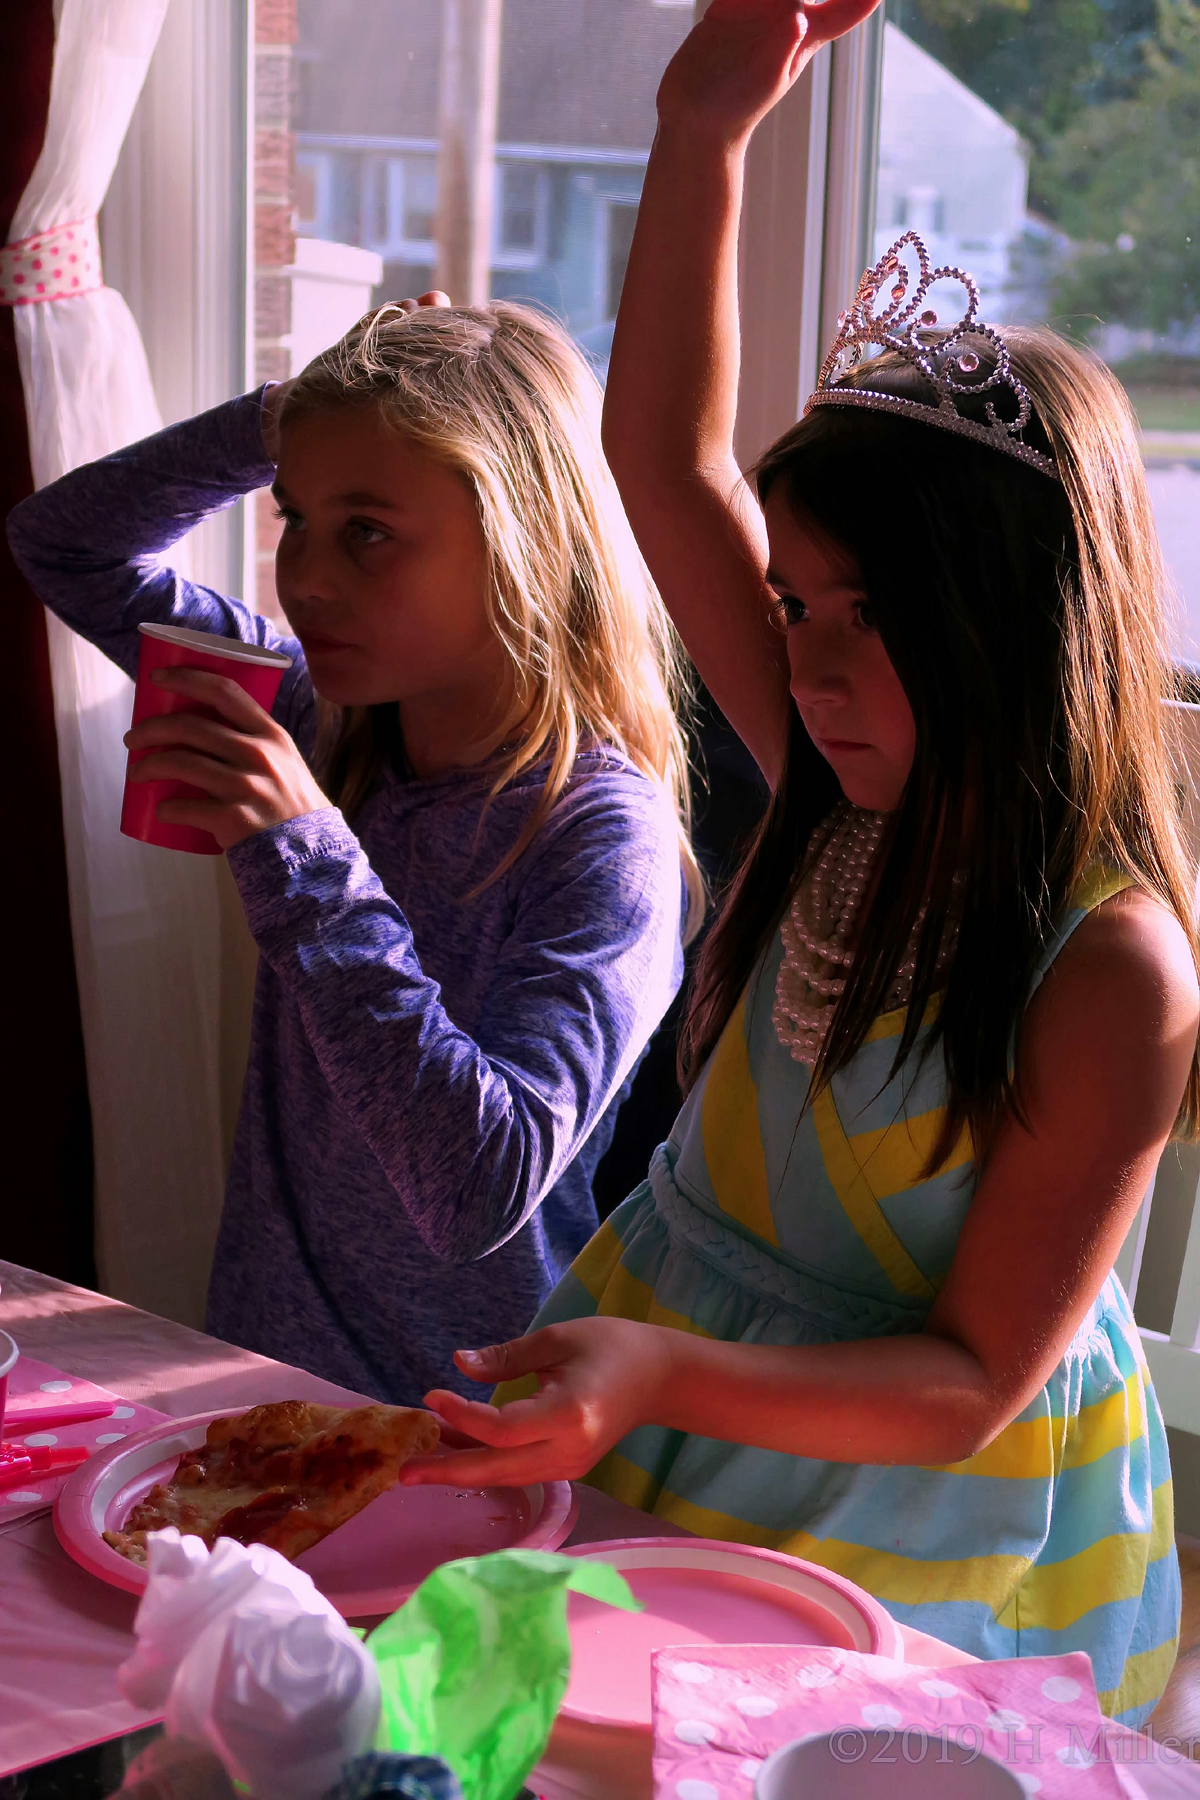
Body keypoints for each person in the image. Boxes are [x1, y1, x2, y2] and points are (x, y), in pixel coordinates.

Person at [396, 0, 1200, 1727]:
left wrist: (660, 1368)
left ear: (1021, 635)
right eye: (795, 610)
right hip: (668, 1392)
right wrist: (702, 128)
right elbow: (662, 458)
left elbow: (974, 1380)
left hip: (910, 1511)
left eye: (876, 619)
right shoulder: (841, 787)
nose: (813, 667)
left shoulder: (1110, 972)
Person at [7, 300, 701, 1405]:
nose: (306, 578)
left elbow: (481, 1191)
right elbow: (61, 542)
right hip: (256, 1376)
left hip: (467, 1430)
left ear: (524, 535)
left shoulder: (600, 836)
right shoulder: (322, 720)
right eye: (296, 519)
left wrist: (306, 858)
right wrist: (287, 416)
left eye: (368, 531)